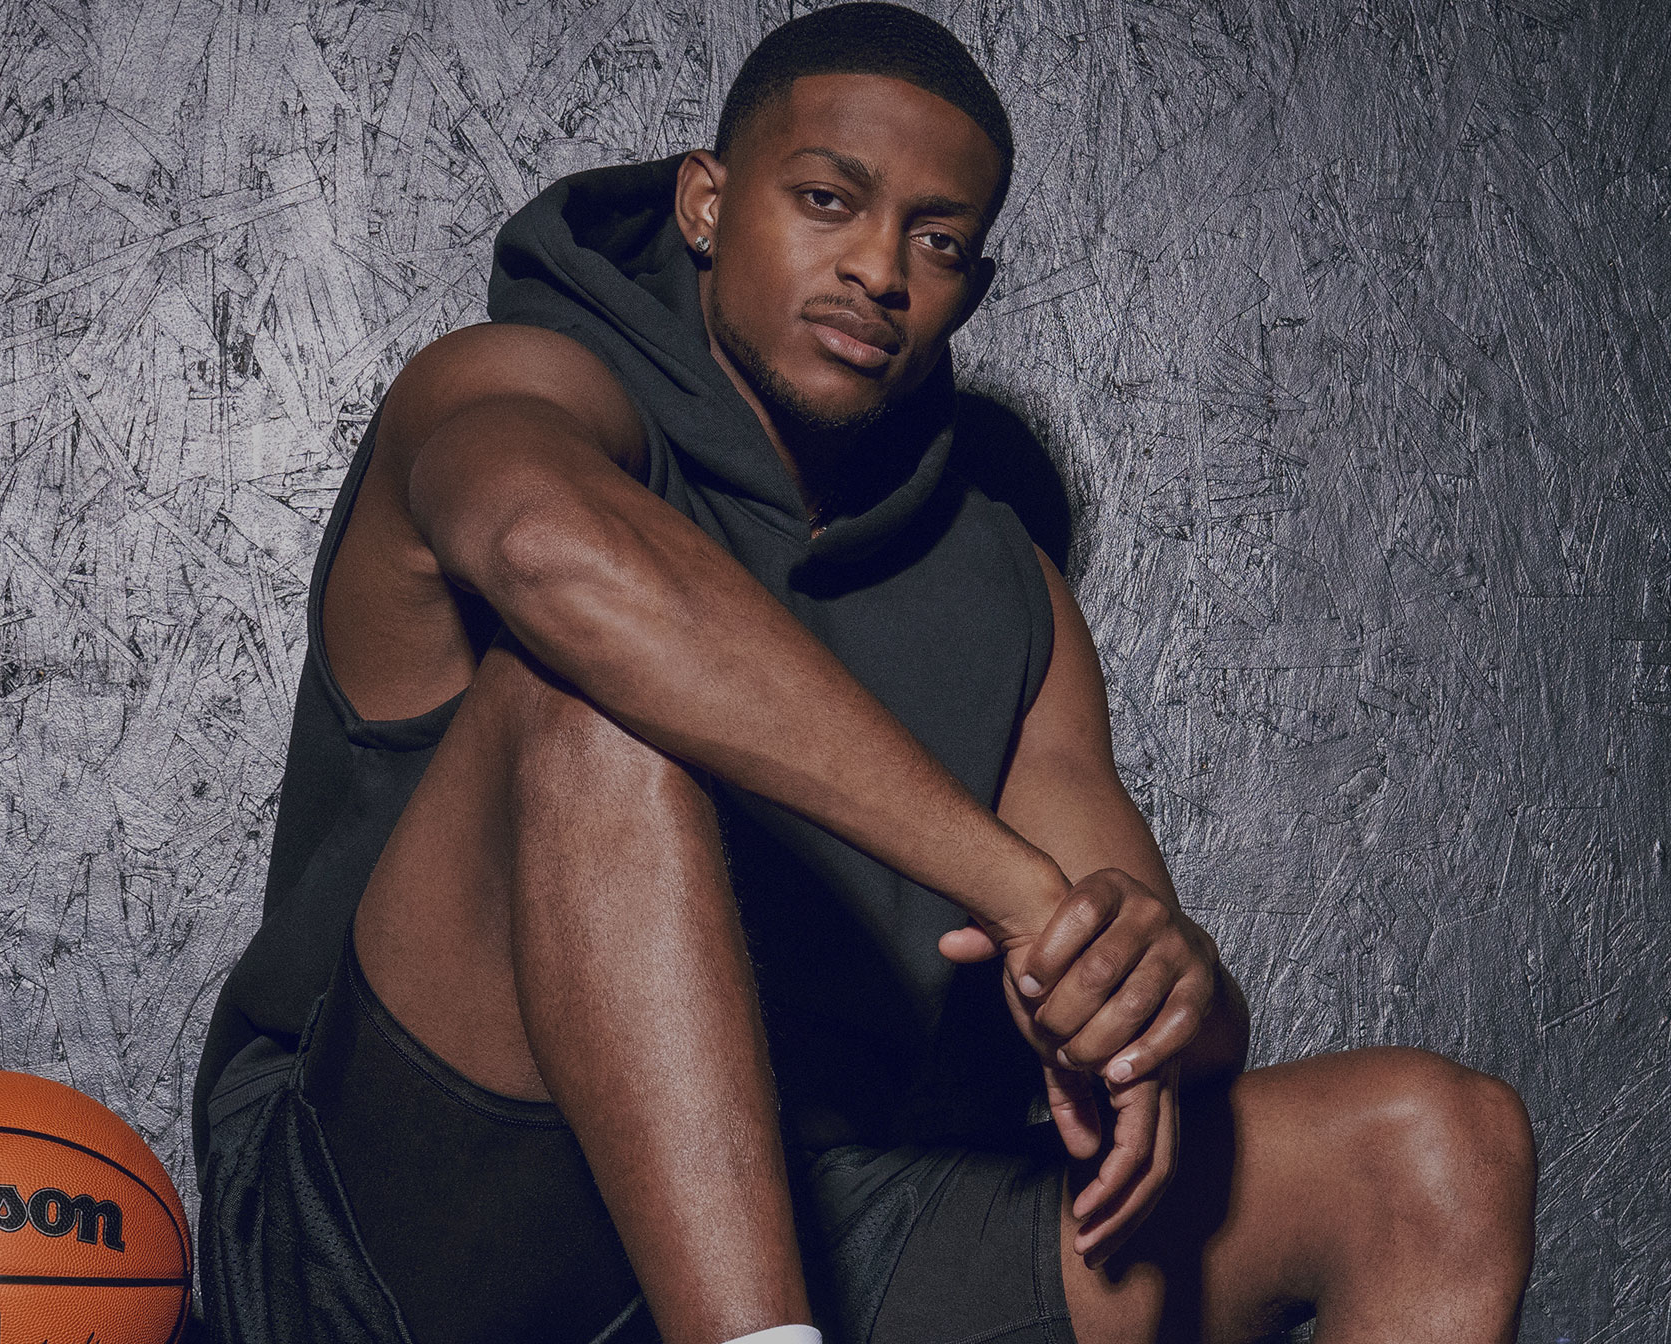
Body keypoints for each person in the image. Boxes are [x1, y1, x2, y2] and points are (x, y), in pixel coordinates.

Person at [191, 6, 1537, 1342]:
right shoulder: (514, 384)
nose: (879, 269)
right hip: (393, 1218)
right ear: (708, 203)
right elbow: (552, 556)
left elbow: (1139, 1001)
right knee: (588, 695)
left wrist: (1159, 986)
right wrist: (1012, 884)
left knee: (1433, 1150)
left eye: (936, 242)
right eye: (828, 200)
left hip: (824, 1212)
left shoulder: (1005, 590)